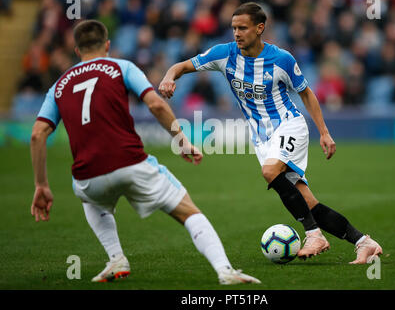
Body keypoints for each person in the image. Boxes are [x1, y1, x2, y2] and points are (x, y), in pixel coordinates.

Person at [30, 19, 260, 285]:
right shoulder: (121, 67)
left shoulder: (59, 85)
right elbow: (156, 105)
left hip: (87, 175)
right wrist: (182, 140)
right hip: (131, 163)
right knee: (189, 211)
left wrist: (41, 185)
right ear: (107, 45)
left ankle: (116, 258)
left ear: (77, 50)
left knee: (90, 199)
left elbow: (37, 134)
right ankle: (225, 271)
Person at [159, 2, 382, 264]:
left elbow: (306, 94)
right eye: (233, 28)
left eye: (242, 28)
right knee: (308, 203)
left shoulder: (282, 59)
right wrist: (168, 77)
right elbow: (182, 66)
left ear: (259, 28)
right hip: (262, 139)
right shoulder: (224, 54)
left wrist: (324, 132)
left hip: (289, 125)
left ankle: (314, 235)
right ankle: (363, 242)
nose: (237, 33)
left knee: (269, 171)